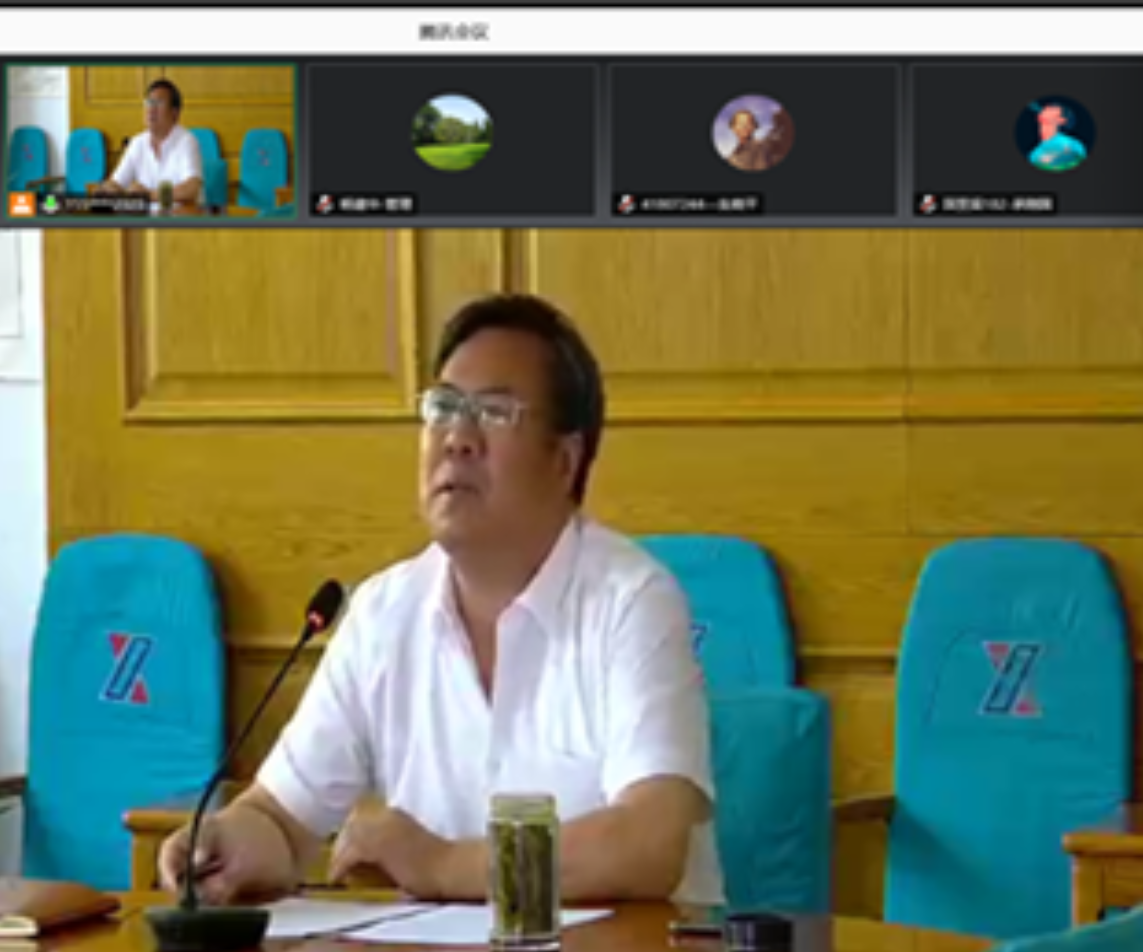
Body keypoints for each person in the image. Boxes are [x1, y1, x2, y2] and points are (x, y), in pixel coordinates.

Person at [159, 294, 722, 907]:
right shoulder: (382, 613)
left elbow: (648, 843)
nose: (457, 438)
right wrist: (228, 840)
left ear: (564, 461)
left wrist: (443, 864)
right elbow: (281, 819)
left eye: (495, 412)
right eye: (444, 408)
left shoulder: (632, 601)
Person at [93, 79, 204, 206]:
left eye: (159, 103)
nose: (151, 109)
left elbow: (191, 189)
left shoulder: (187, 141)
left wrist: (150, 195)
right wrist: (107, 189)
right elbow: (117, 182)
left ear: (175, 113)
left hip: (180, 216)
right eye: (149, 102)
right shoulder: (137, 143)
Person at [724, 106, 793, 173]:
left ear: (754, 127)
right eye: (740, 123)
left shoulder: (760, 146)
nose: (744, 126)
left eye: (749, 123)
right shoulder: (732, 156)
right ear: (733, 128)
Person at [1028, 103, 1088, 173]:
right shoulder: (1034, 153)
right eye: (1046, 108)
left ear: (1062, 120)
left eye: (1051, 109)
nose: (1045, 109)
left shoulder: (1072, 144)